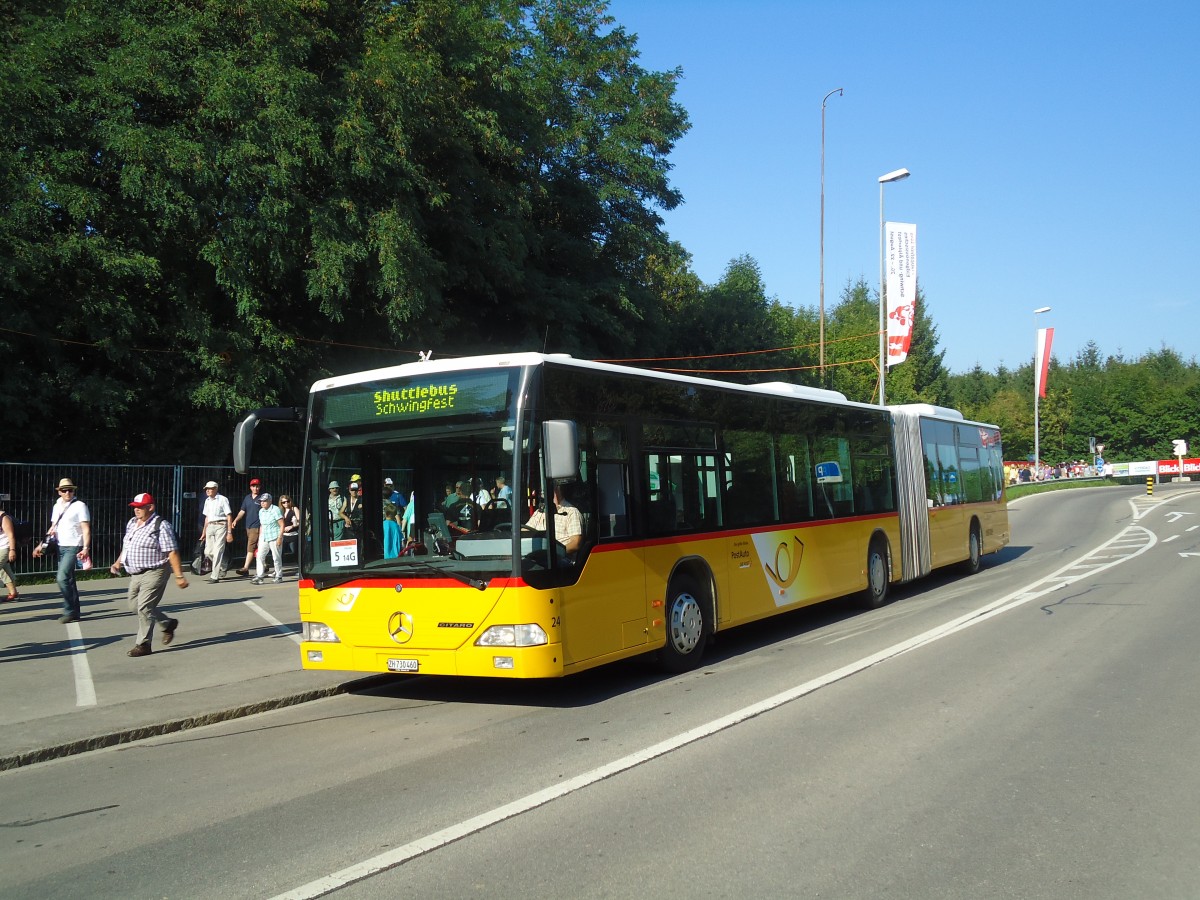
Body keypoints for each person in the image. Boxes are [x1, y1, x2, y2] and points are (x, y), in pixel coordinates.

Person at [110, 492, 188, 657]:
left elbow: (172, 552)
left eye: (140, 507)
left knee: (144, 607)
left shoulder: (160, 525)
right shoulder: (132, 523)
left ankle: (143, 644)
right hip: (135, 573)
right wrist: (119, 562)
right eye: (134, 507)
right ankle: (167, 624)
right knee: (134, 606)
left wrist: (179, 576)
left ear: (150, 507)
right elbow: (128, 546)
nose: (136, 510)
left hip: (155, 571)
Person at [32, 477, 92, 622]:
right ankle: (75, 613)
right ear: (59, 492)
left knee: (62, 578)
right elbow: (53, 527)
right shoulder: (57, 506)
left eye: (70, 490)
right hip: (60, 545)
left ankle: (69, 610)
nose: (67, 493)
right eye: (64, 490)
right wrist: (41, 544)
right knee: (69, 580)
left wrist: (85, 548)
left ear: (74, 491)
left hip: (74, 546)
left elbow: (86, 529)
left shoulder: (80, 506)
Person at [524, 484, 583, 558]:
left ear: (558, 489)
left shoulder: (571, 512)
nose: (541, 493)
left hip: (559, 560)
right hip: (538, 556)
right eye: (541, 490)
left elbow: (576, 543)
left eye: (544, 489)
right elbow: (525, 530)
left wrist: (554, 553)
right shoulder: (540, 512)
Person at [200, 480, 233, 582]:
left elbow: (229, 515)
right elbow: (206, 517)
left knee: (218, 551)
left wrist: (229, 532)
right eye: (207, 489)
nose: (208, 491)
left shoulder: (223, 499)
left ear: (215, 489)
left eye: (210, 489)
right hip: (210, 526)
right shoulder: (207, 501)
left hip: (221, 525)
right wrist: (204, 532)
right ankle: (223, 566)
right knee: (208, 552)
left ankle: (215, 576)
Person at [232, 477, 262, 576]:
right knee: (258, 546)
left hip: (257, 526)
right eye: (253, 486)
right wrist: (236, 520)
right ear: (250, 487)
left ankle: (245, 568)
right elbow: (242, 511)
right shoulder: (247, 498)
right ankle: (264, 565)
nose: (255, 488)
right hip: (248, 526)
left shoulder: (262, 498)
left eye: (257, 486)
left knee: (250, 546)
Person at [253, 492, 284, 585]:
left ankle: (279, 576)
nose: (262, 503)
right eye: (261, 501)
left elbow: (282, 524)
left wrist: (280, 537)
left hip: (275, 536)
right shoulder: (261, 511)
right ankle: (260, 576)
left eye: (264, 501)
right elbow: (262, 525)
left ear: (270, 501)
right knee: (259, 555)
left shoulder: (275, 510)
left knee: (276, 557)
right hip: (264, 536)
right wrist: (259, 539)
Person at [0, 500, 19, 601]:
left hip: (5, 548)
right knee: (4, 570)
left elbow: (11, 535)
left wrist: (12, 550)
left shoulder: (4, 517)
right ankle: (13, 592)